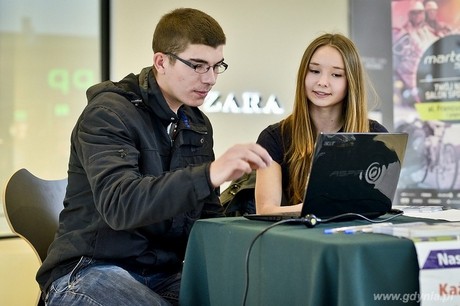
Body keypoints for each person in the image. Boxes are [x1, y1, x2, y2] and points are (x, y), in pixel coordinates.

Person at [36, 8, 272, 306]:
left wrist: (263, 226)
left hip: (161, 274)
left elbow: (207, 219)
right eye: (198, 65)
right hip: (89, 272)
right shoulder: (107, 115)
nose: (210, 78)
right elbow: (121, 205)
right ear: (161, 61)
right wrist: (209, 173)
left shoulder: (196, 123)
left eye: (216, 66)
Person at [254, 33, 387, 215]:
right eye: (315, 71)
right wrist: (319, 208)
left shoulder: (374, 135)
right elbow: (266, 210)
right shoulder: (274, 137)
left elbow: (379, 207)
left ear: (351, 82)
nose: (322, 82)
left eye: (336, 74)